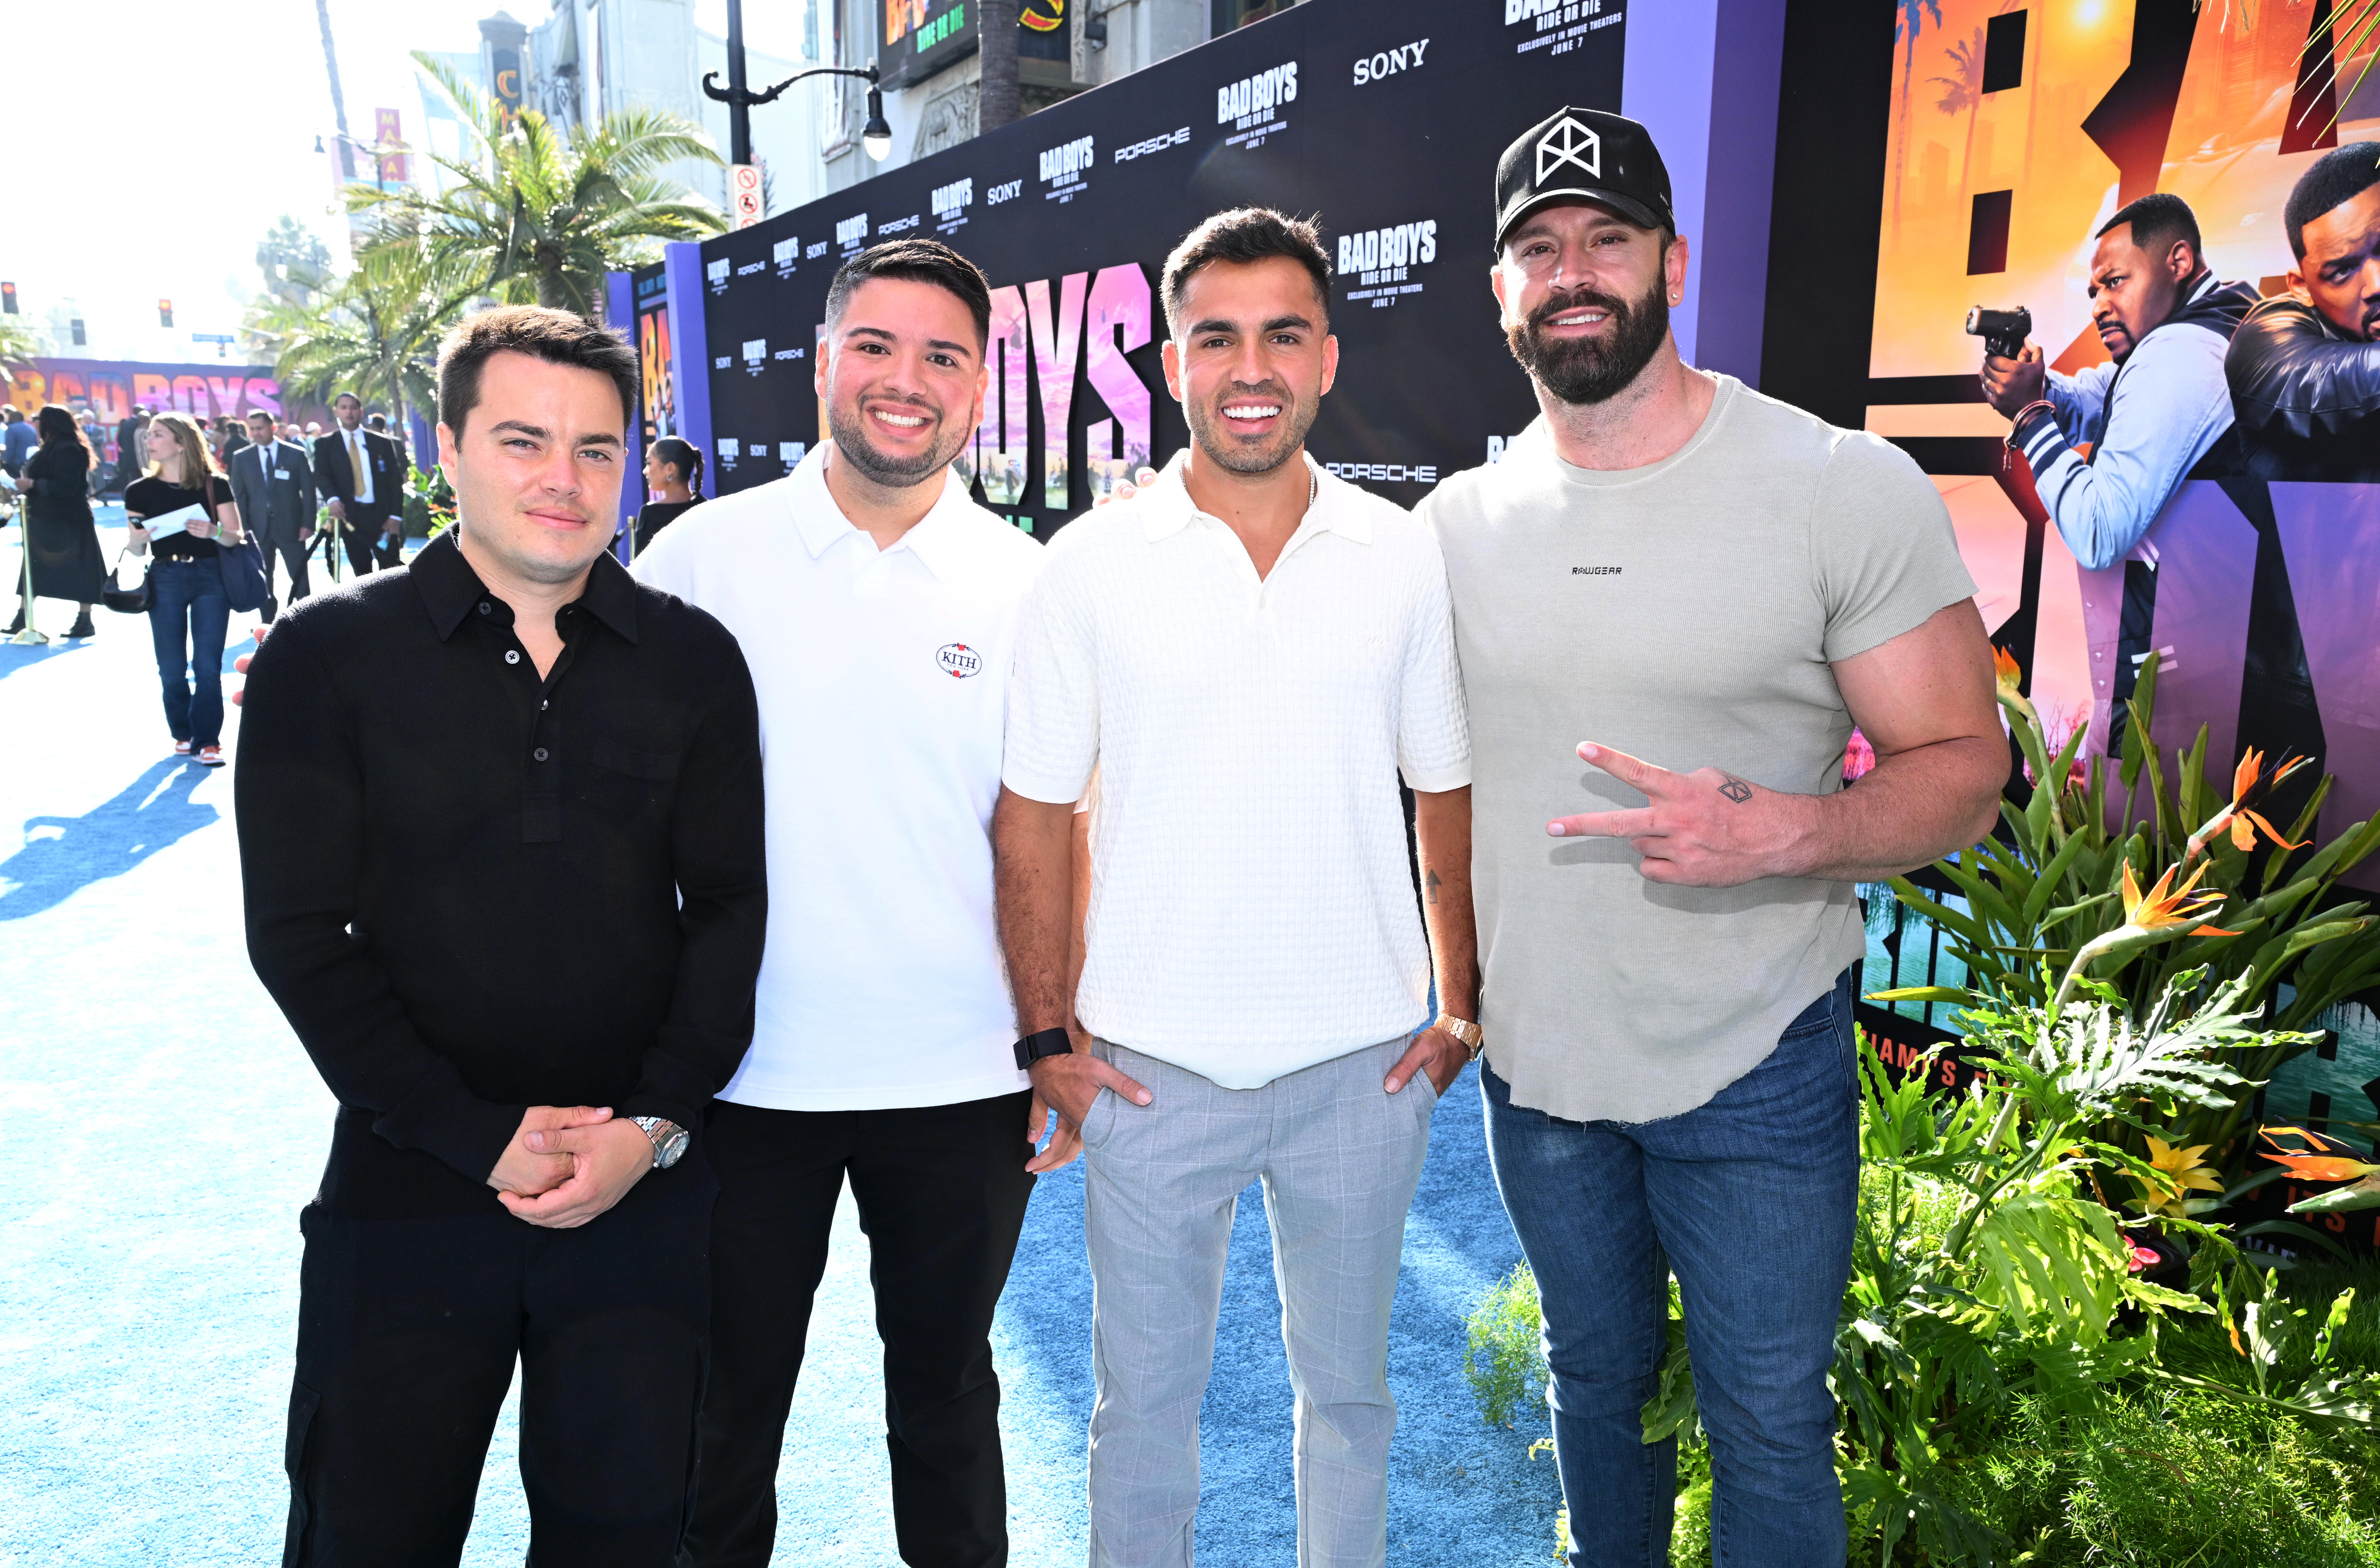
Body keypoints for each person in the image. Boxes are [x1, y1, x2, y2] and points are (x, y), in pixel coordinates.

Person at [1415, 108, 2004, 1567]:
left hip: (1757, 1064)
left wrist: (1792, 831)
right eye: (1537, 250)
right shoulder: (1447, 526)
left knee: (1763, 1425)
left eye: (1606, 240)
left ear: (1671, 259)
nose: (1573, 274)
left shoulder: (1832, 485)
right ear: (1500, 291)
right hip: (1541, 1079)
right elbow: (1416, 783)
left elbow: (1966, 768)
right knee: (1592, 1388)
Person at [237, 305, 768, 1566]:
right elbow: (301, 935)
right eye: (524, 438)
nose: (562, 478)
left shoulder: (693, 661)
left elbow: (732, 910)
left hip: (638, 1188)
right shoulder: (330, 654)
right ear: (450, 444)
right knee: (367, 1531)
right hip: (407, 1183)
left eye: (597, 447)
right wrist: (474, 1137)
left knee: (627, 1539)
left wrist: (651, 1127)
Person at [993, 208, 1476, 1568]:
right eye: (1216, 335)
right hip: (1147, 1075)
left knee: (1353, 1404)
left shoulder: (1400, 556)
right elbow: (1031, 818)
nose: (1248, 365)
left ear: (1325, 357)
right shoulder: (1087, 566)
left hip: (1363, 1071)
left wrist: (1462, 1012)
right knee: (1140, 1415)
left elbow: (1444, 791)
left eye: (1280, 333)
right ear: (1169, 361)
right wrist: (1047, 1039)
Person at [635, 239, 1049, 1568]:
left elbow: (1053, 836)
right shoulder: (698, 558)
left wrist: (1055, 1033)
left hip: (960, 1079)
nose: (903, 380)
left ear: (978, 389)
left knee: (946, 1403)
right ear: (822, 361)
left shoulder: (1028, 585)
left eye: (942, 356)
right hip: (739, 1079)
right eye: (874, 345)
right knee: (718, 1415)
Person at [1979, 192, 2255, 749]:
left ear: (2178, 262)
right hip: (2215, 641)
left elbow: (2098, 531)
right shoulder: (2214, 320)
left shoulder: (2179, 354)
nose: (2099, 305)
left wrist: (2031, 417)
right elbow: (2105, 398)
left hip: (2180, 666)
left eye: (2116, 282)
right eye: (2093, 290)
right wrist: (2034, 382)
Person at [2228, 142, 2380, 482]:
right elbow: (2306, 384)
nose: (2376, 285)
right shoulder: (2270, 333)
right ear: (2302, 287)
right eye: (2342, 271)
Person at [123, 413, 244, 763]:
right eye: (149, 436)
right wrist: (136, 540)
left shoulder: (215, 484)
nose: (149, 442)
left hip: (210, 577)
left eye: (157, 435)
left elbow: (235, 537)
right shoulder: (139, 491)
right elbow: (135, 550)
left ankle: (208, 741)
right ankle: (183, 731)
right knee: (171, 667)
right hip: (164, 577)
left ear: (180, 443)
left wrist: (213, 532)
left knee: (207, 665)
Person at [6, 404, 107, 639]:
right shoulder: (50, 448)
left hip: (68, 518)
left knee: (81, 569)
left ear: (51, 422)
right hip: (46, 517)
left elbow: (69, 486)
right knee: (33, 567)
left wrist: (32, 484)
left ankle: (85, 620)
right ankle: (23, 617)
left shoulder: (69, 449)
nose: (35, 423)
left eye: (38, 419)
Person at [229, 406, 320, 621]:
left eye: (260, 428)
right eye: (252, 429)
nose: (255, 433)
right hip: (258, 529)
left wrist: (308, 523)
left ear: (273, 428)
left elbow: (308, 492)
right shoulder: (241, 458)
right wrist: (244, 529)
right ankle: (268, 625)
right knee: (264, 579)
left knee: (299, 577)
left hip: (292, 527)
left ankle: (308, 619)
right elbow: (239, 497)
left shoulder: (295, 454)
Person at [315, 391, 406, 575]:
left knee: (392, 573)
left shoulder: (381, 443)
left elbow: (395, 482)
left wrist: (396, 516)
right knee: (362, 575)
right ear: (336, 412)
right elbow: (322, 475)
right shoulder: (326, 444)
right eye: (344, 408)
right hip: (351, 518)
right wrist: (332, 499)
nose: (349, 412)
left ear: (361, 411)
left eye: (354, 407)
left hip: (383, 518)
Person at [628, 435, 704, 557]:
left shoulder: (651, 514)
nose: (645, 471)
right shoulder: (706, 508)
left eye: (649, 463)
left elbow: (641, 571)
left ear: (670, 468)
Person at [110, 406, 151, 495]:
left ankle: (129, 498)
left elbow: (120, 440)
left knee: (133, 480)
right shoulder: (142, 424)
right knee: (144, 482)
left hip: (128, 459)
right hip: (141, 458)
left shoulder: (126, 424)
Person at [1, 406, 35, 475]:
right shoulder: (31, 428)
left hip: (16, 463)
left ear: (15, 418)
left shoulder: (12, 429)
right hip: (30, 463)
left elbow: (10, 448)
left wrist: (4, 461)